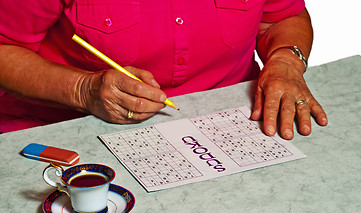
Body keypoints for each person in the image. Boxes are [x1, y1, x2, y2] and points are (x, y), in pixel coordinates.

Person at [0, 0, 327, 139]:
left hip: (232, 123)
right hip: (66, 130)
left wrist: (285, 63)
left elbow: (283, 16)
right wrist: (81, 90)